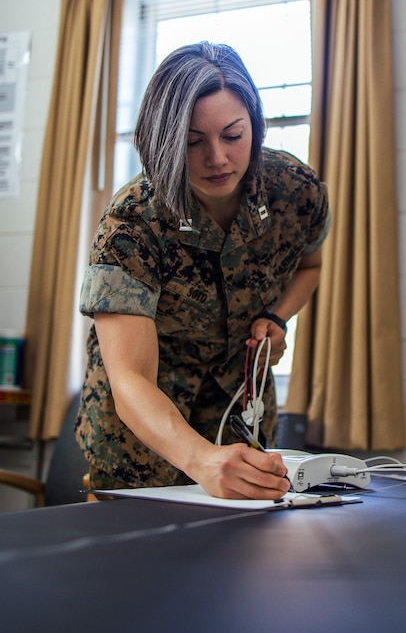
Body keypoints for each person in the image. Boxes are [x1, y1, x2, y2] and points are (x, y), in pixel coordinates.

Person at [75, 41, 330, 500]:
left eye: (233, 135)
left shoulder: (294, 189)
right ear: (163, 141)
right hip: (143, 440)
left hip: (240, 418)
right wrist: (200, 460)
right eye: (193, 142)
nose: (218, 158)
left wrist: (277, 317)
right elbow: (130, 378)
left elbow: (310, 264)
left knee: (241, 563)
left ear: (255, 124)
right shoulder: (132, 222)